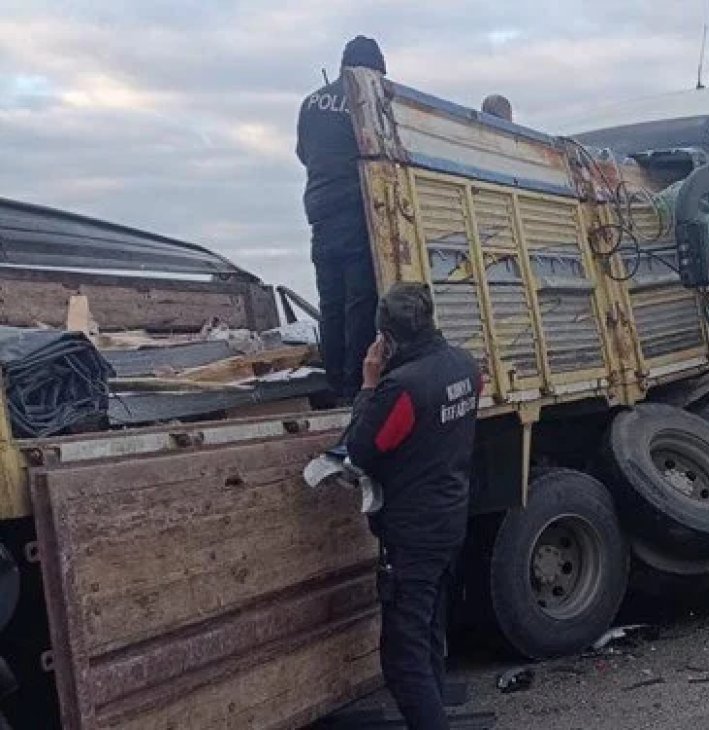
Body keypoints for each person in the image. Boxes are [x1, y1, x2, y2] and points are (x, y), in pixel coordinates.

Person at [345, 283, 482, 730]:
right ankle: (435, 712)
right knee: (428, 634)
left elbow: (363, 448)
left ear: (386, 339)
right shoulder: (465, 365)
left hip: (413, 534)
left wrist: (369, 384)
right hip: (449, 519)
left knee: (403, 661)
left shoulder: (402, 388)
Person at [296, 35, 386, 401]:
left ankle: (334, 383)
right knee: (360, 299)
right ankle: (354, 389)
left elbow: (304, 153)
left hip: (319, 207)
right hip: (353, 205)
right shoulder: (365, 97)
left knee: (330, 301)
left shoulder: (310, 102)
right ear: (372, 69)